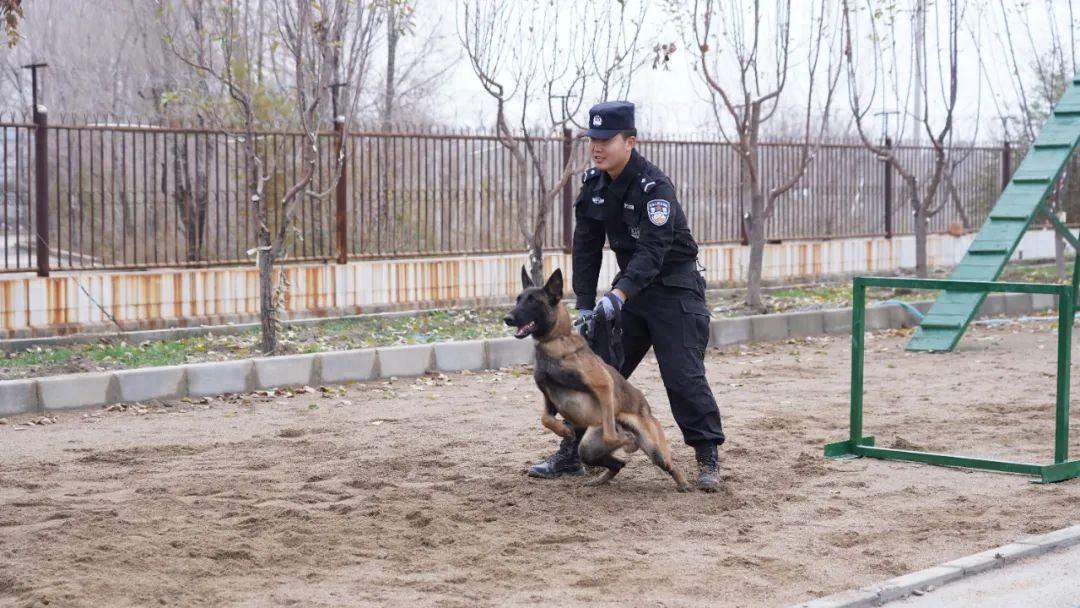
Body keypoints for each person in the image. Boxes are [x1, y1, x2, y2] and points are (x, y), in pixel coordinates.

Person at [527, 100, 726, 492]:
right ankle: (572, 454)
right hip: (629, 294)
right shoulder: (593, 185)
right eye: (592, 139)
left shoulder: (655, 188)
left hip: (674, 291)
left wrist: (617, 295)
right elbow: (585, 246)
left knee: (683, 376)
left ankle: (707, 458)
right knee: (589, 371)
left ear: (630, 141)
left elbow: (653, 253)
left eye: (605, 139)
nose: (596, 147)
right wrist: (585, 303)